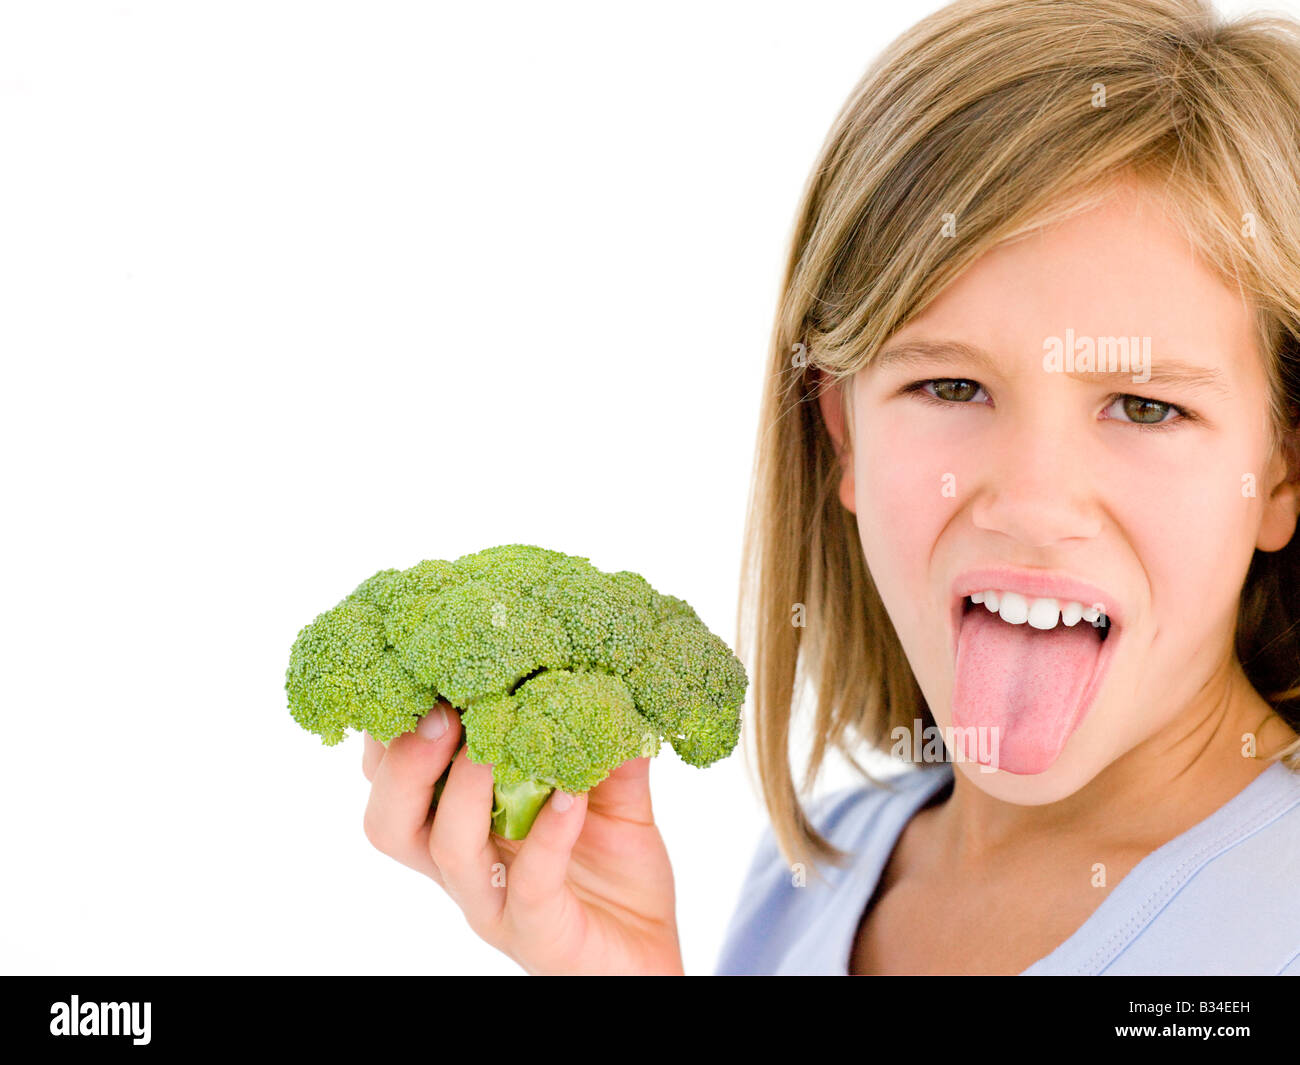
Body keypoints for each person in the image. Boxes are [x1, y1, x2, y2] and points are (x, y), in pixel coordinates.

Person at [358, 0, 1300, 975]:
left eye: (1144, 408)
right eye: (949, 385)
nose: (1031, 501)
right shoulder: (810, 873)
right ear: (840, 429)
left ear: (1283, 468)